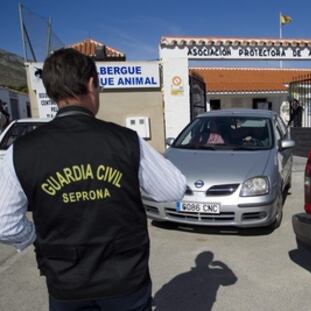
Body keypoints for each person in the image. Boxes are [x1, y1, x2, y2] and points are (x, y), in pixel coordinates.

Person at [0, 48, 186, 311]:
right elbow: (174, 188)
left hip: (66, 282)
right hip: (125, 280)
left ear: (52, 91)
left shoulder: (20, 150)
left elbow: (4, 224)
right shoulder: (126, 141)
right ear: (90, 84)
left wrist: (35, 237)